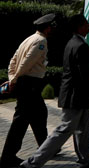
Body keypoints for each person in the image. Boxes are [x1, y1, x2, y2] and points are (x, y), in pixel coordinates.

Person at [20, 14, 89, 168]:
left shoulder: (72, 43)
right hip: (76, 97)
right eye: (86, 24)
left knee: (83, 129)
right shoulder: (81, 46)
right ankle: (32, 162)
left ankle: (85, 160)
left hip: (76, 96)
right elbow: (86, 75)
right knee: (64, 129)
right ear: (79, 27)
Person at [0, 14, 56, 168]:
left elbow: (14, 60)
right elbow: (26, 63)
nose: (52, 28)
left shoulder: (29, 39)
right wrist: (14, 80)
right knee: (21, 121)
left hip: (26, 83)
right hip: (30, 84)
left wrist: (12, 76)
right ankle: (7, 156)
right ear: (46, 27)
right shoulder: (41, 41)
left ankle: (46, 148)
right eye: (51, 26)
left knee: (39, 115)